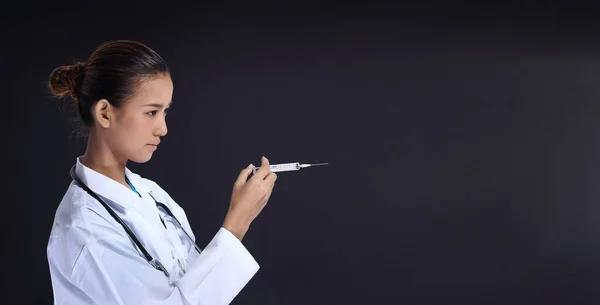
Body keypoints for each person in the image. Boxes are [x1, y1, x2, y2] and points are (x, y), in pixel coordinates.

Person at [46, 40, 277, 305]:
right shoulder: (83, 228)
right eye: (152, 112)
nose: (163, 128)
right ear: (105, 113)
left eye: (165, 111)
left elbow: (192, 287)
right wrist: (237, 223)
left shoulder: (151, 193)